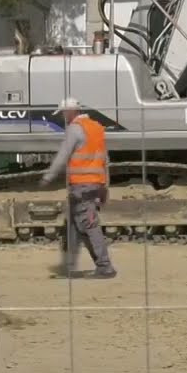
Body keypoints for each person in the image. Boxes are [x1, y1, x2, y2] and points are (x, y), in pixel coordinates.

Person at [38, 97, 117, 279]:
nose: (63, 117)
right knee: (75, 226)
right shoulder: (96, 127)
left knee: (89, 225)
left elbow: (63, 155)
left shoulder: (75, 129)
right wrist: (104, 186)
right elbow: (105, 159)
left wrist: (48, 177)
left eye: (63, 113)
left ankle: (105, 266)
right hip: (94, 183)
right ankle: (71, 266)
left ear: (70, 112)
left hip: (82, 185)